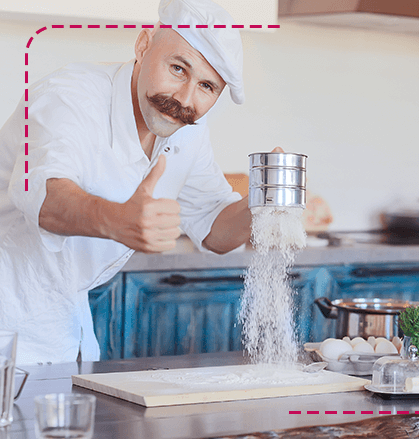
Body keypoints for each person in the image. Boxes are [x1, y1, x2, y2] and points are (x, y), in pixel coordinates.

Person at [0, 0, 264, 364]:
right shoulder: (69, 96)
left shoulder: (187, 132)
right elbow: (44, 195)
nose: (184, 99)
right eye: (177, 68)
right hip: (8, 315)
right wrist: (118, 219)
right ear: (143, 45)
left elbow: (215, 229)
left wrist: (268, 200)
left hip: (66, 325)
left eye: (207, 86)